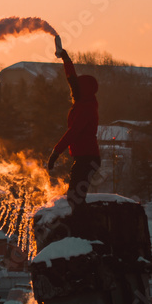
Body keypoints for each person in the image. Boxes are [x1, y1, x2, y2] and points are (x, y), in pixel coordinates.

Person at [47, 47, 100, 215]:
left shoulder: (87, 107)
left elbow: (74, 132)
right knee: (74, 198)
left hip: (88, 159)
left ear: (83, 90)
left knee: (75, 198)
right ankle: (81, 230)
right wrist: (65, 58)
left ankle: (83, 232)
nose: (72, 88)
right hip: (83, 158)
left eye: (77, 86)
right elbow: (71, 78)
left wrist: (56, 152)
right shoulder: (82, 102)